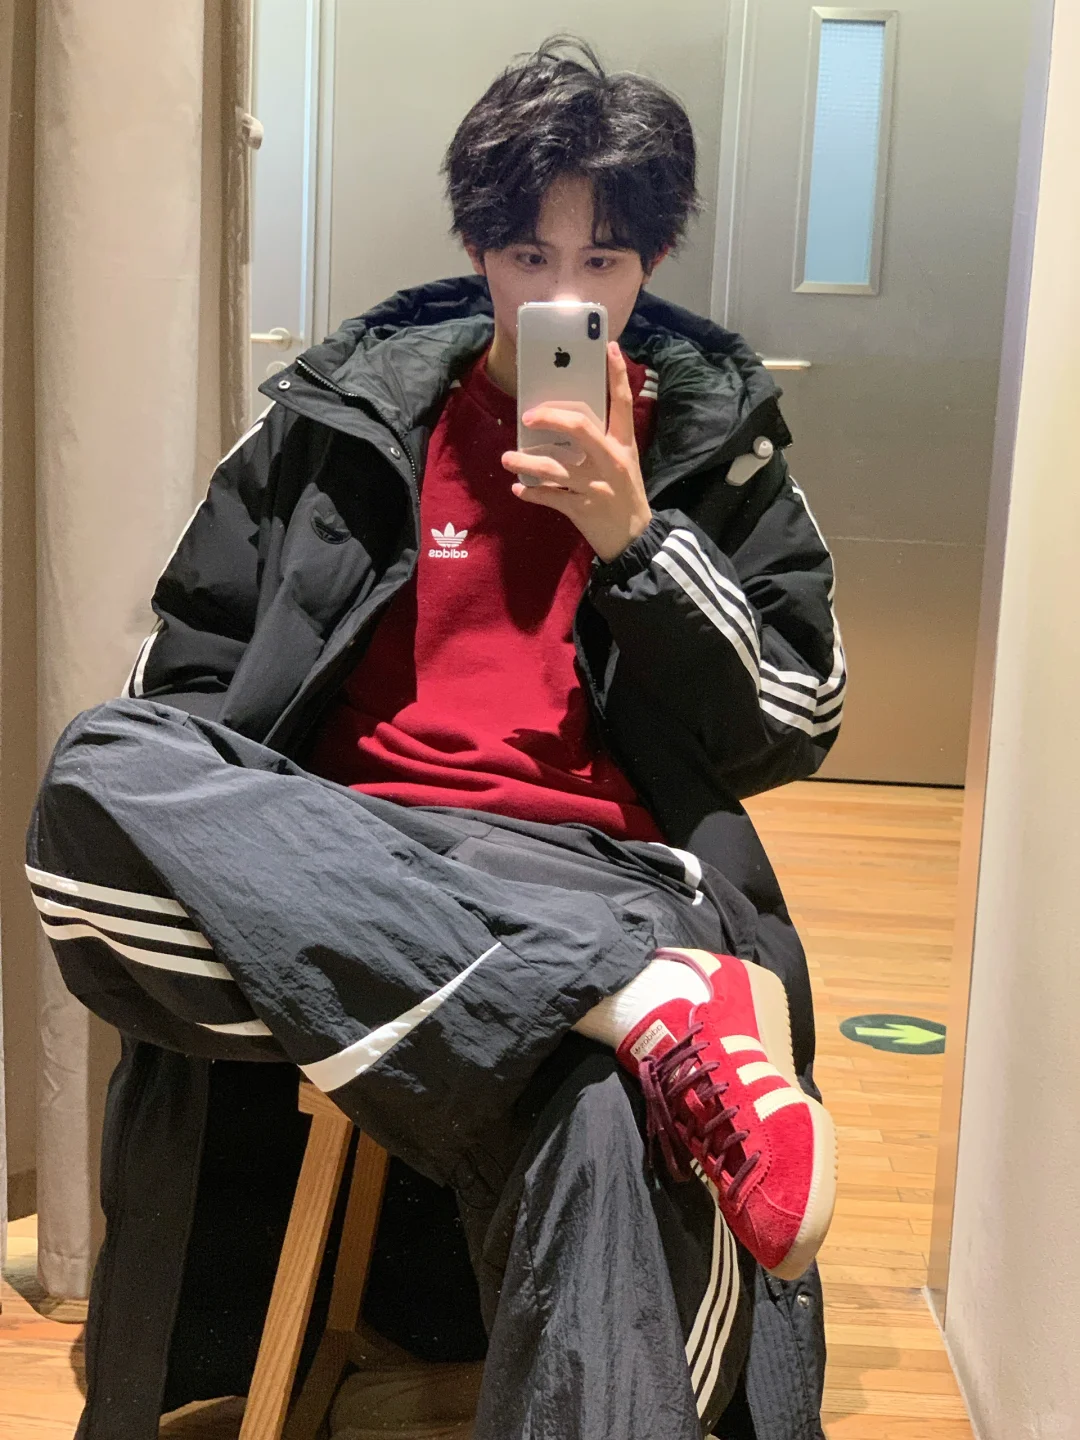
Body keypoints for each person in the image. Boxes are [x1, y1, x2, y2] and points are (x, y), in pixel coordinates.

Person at [27, 36, 845, 1440]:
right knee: (99, 769)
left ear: (653, 261)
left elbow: (795, 718)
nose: (564, 295)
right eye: (529, 256)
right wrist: (261, 834)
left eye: (603, 261)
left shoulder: (713, 451)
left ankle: (604, 996)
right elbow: (184, 688)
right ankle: (629, 1000)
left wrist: (639, 541)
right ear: (478, 250)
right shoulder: (339, 424)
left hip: (590, 868)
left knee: (597, 1101)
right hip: (351, 859)